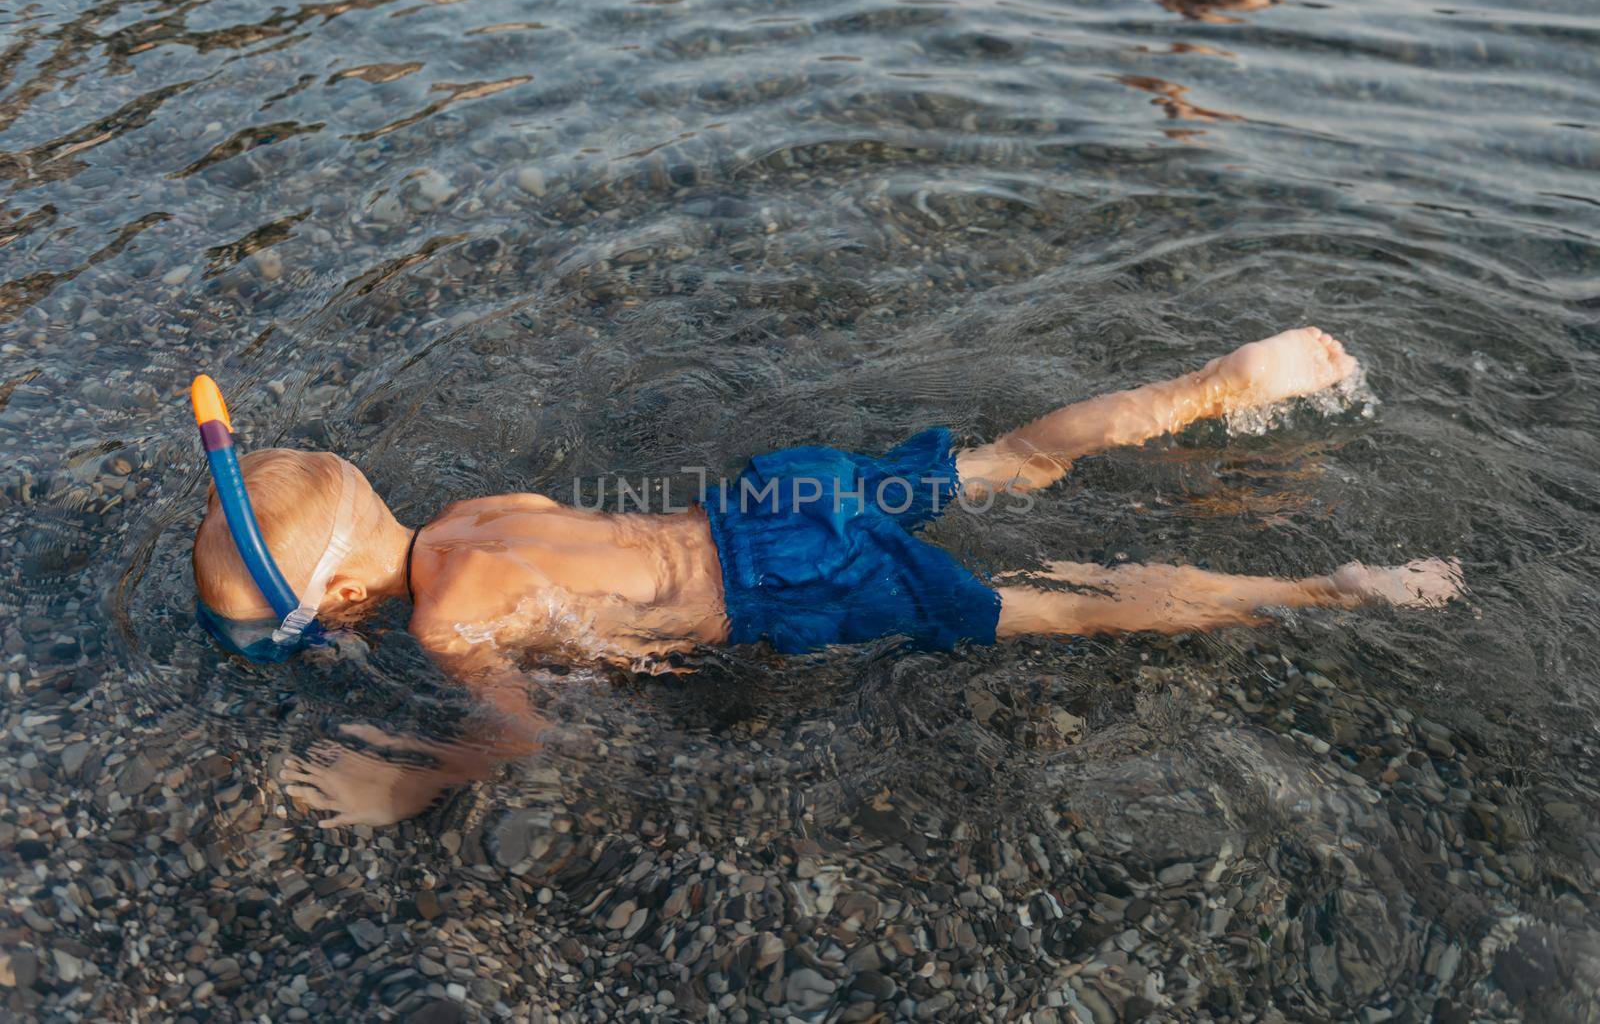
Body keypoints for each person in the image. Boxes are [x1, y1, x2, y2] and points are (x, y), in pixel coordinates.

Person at [191, 327, 1462, 826]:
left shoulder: (445, 617)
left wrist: (410, 782)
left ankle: (1331, 591)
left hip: (791, 586)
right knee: (1007, 464)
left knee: (1060, 608)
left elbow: (520, 737)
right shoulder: (474, 519)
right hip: (777, 497)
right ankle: (1212, 390)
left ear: (344, 604)